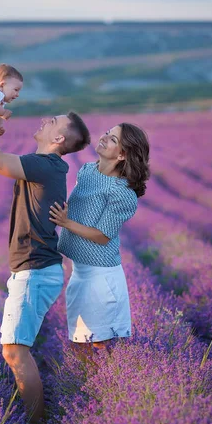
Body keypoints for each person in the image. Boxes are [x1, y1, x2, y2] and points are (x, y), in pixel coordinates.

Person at [0, 90, 91, 424]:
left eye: (52, 121)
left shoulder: (46, 166)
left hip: (35, 271)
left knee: (14, 350)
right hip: (35, 270)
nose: (44, 120)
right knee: (15, 349)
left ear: (57, 137)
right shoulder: (48, 166)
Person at [49, 123, 150, 358]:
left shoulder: (122, 192)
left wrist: (65, 223)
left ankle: (108, 389)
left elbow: (103, 236)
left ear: (123, 154)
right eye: (107, 133)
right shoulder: (87, 171)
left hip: (101, 278)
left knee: (101, 346)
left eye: (113, 139)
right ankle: (84, 390)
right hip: (79, 274)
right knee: (80, 343)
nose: (104, 138)